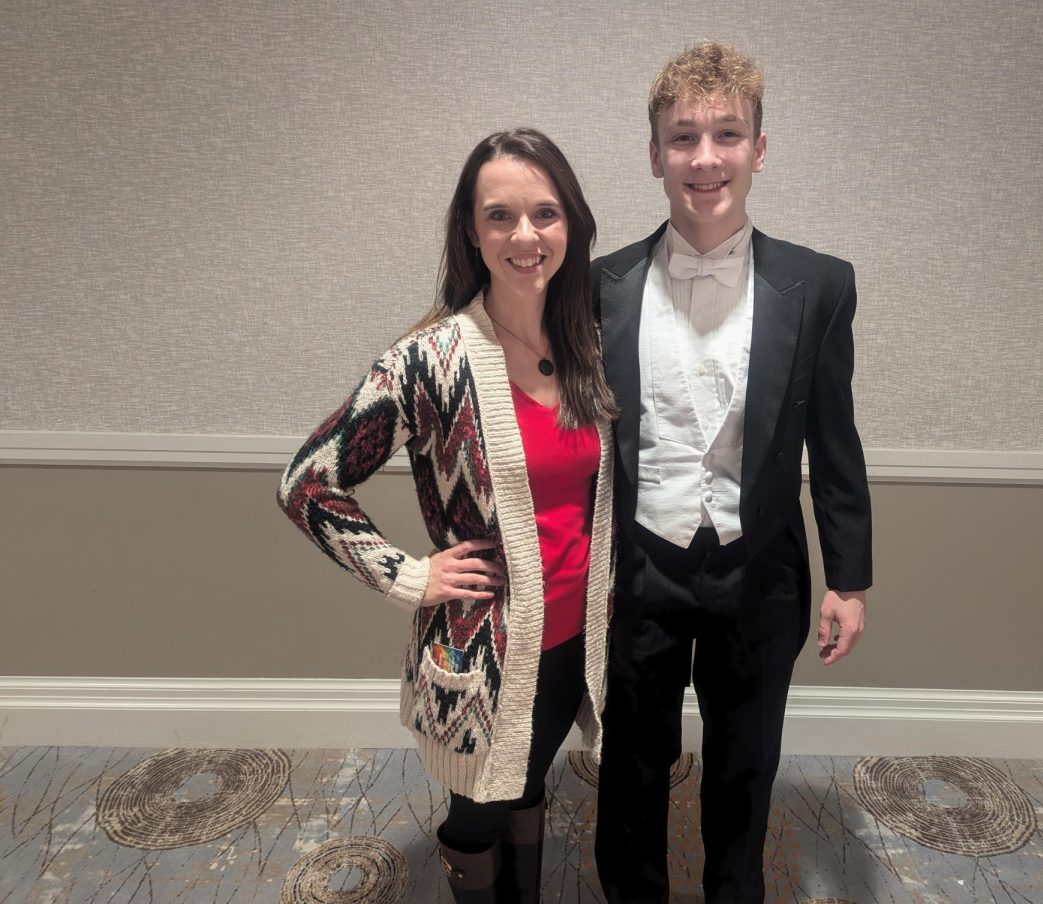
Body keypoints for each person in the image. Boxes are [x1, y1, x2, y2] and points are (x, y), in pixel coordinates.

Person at [278, 128, 617, 903]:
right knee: (476, 813)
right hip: (483, 655)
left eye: (545, 213)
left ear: (573, 224)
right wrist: (408, 574)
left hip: (576, 640)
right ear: (472, 230)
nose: (525, 236)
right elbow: (306, 483)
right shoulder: (428, 361)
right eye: (500, 216)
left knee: (530, 785)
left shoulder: (590, 344)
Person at [593, 42, 873, 902]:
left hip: (762, 571)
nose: (705, 157)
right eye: (683, 138)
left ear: (759, 146)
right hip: (639, 567)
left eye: (727, 134)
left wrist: (848, 578)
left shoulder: (819, 285)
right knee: (631, 766)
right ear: (654, 155)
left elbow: (834, 437)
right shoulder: (598, 288)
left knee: (746, 766)